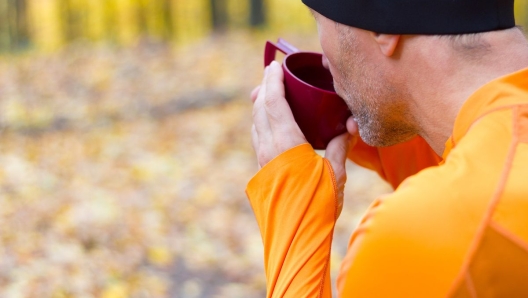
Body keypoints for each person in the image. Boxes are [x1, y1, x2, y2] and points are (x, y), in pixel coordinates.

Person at [246, 0, 528, 296]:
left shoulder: (415, 238)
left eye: (318, 21)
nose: (325, 63)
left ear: (382, 29)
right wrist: (393, 113)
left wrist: (294, 214)